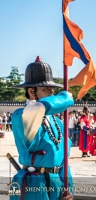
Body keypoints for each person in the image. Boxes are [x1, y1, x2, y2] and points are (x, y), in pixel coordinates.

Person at [10, 56, 74, 200]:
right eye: (46, 88)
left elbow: (64, 161)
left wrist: (68, 188)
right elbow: (39, 107)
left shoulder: (57, 121)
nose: (52, 92)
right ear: (32, 91)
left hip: (56, 183)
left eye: (52, 89)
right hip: (33, 185)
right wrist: (67, 97)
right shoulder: (21, 116)